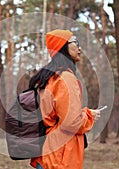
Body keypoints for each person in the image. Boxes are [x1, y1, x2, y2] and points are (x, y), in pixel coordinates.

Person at [29, 29, 100, 169]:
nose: (79, 48)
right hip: (60, 158)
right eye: (75, 42)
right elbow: (71, 122)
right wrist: (89, 115)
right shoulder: (65, 78)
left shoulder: (50, 77)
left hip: (48, 154)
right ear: (63, 46)